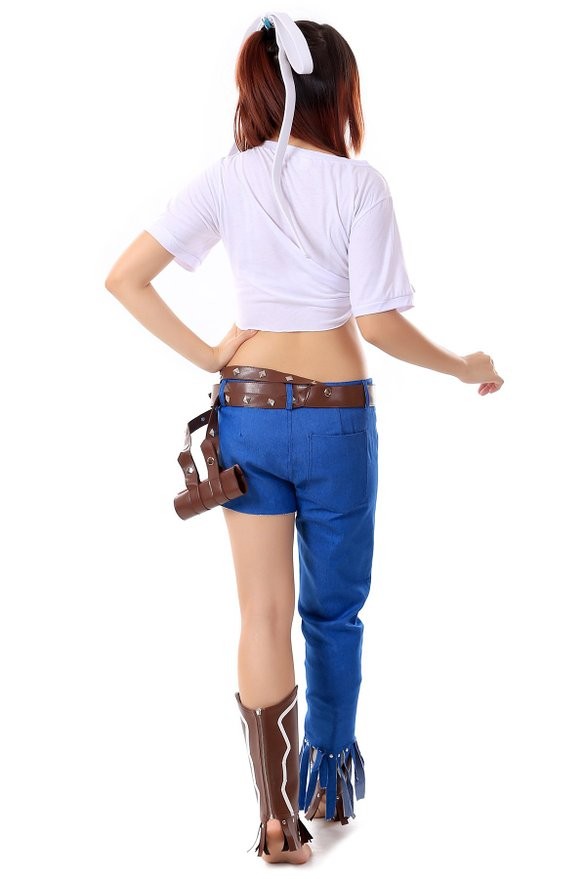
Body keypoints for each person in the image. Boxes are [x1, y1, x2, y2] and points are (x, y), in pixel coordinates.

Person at [105, 11, 504, 867]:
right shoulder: (360, 185)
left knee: (261, 613)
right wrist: (463, 364)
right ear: (338, 91)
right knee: (333, 611)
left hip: (246, 410)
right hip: (335, 418)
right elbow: (380, 324)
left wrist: (210, 354)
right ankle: (327, 784)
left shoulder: (228, 177)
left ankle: (275, 819)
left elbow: (125, 278)